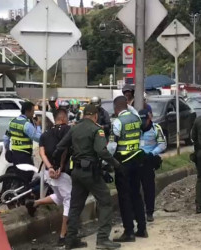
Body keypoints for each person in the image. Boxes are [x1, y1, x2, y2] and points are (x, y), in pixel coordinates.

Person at [53, 104, 122, 250]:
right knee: (105, 201)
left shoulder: (74, 128)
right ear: (95, 116)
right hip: (91, 173)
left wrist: (56, 165)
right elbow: (101, 151)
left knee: (75, 206)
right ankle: (102, 239)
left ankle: (70, 240)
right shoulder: (97, 130)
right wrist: (116, 165)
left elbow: (60, 147)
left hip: (76, 173)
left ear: (84, 115)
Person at [26, 109, 72, 246]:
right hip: (62, 174)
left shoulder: (45, 134)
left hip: (48, 173)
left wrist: (50, 167)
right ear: (64, 118)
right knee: (69, 202)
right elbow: (64, 149)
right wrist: (59, 167)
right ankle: (63, 235)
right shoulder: (68, 130)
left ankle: (34, 203)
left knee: (59, 196)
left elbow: (42, 153)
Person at [112, 96, 147, 242]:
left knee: (124, 197)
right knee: (136, 194)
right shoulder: (136, 118)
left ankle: (129, 232)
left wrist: (107, 162)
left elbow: (113, 146)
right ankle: (142, 228)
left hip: (123, 164)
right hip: (136, 161)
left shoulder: (118, 122)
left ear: (115, 109)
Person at [138, 109, 167, 222]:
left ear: (149, 118)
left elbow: (162, 144)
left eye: (144, 120)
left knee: (149, 188)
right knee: (134, 187)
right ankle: (137, 211)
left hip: (148, 161)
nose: (143, 123)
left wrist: (152, 153)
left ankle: (149, 212)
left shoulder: (156, 128)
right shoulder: (136, 128)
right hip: (136, 160)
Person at [3, 101, 42, 182]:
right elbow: (37, 138)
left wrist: (7, 150)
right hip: (24, 155)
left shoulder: (12, 121)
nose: (33, 114)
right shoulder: (26, 124)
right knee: (27, 177)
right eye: (32, 112)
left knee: (18, 177)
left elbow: (6, 138)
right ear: (27, 111)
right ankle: (24, 193)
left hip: (15, 154)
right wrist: (38, 126)